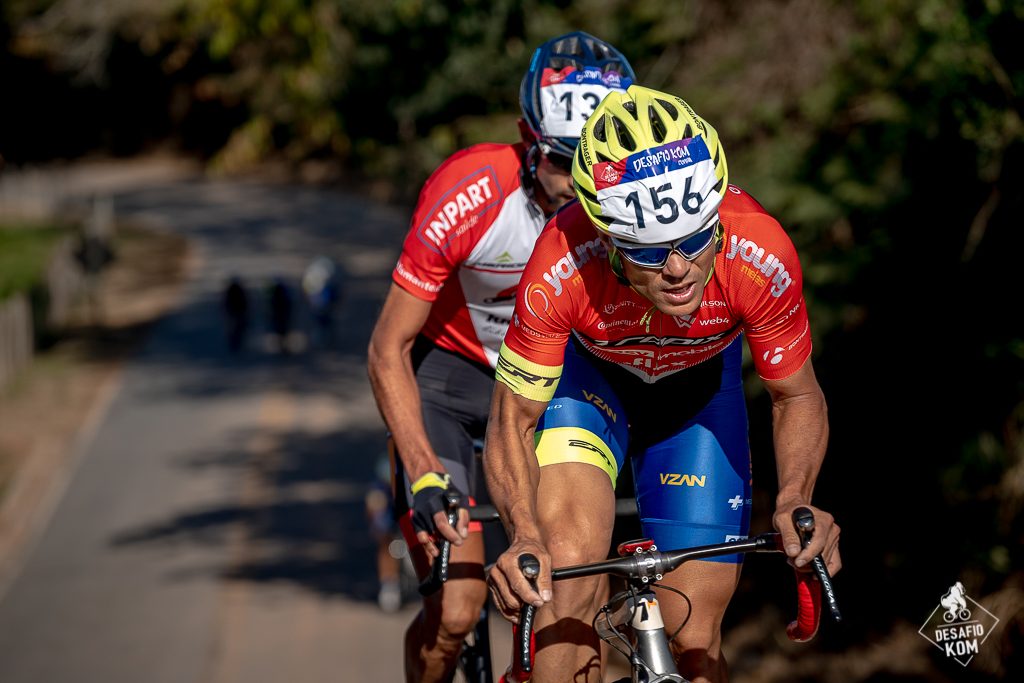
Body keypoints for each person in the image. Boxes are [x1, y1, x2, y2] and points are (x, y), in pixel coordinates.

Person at [483, 85, 843, 683]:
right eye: (648, 252)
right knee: (563, 585)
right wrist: (523, 531)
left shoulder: (760, 251)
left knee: (697, 638)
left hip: (696, 400)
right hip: (590, 390)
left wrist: (795, 498)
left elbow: (797, 395)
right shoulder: (561, 263)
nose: (678, 269)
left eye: (697, 239)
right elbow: (512, 418)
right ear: (609, 237)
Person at [367, 32, 635, 683]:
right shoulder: (470, 191)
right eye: (556, 161)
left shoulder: (626, 200)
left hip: (545, 382)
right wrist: (425, 471)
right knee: (457, 609)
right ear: (525, 135)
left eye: (592, 167)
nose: (575, 187)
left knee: (564, 592)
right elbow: (386, 347)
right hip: (451, 380)